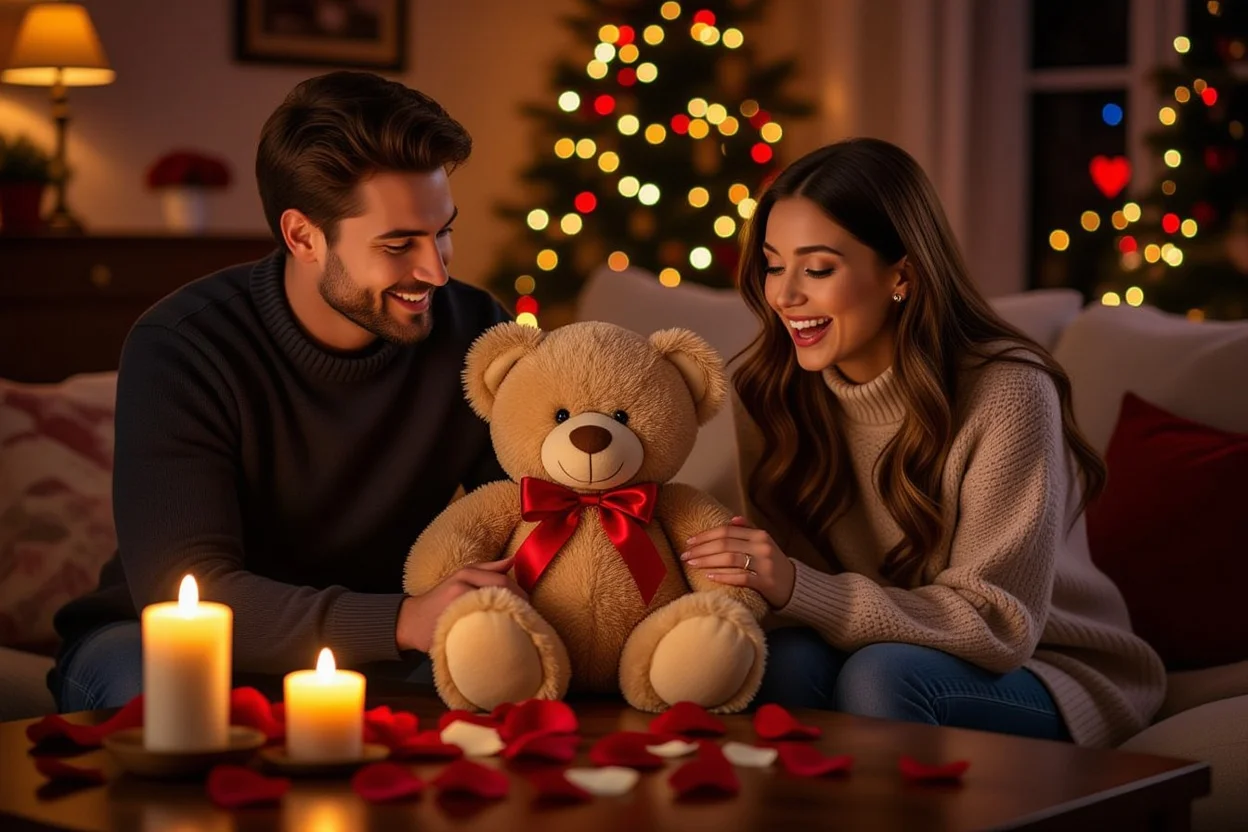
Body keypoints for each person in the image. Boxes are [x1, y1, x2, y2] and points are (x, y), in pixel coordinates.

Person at [50, 71, 530, 712]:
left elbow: (542, 510)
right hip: (158, 643)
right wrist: (401, 620)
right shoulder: (182, 345)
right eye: (398, 244)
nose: (436, 271)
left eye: (443, 230)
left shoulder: (478, 331)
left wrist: (700, 552)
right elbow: (189, 594)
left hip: (383, 647)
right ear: (303, 236)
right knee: (169, 700)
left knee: (505, 690)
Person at [682, 138, 1165, 747]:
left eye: (819, 268)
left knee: (882, 677)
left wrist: (802, 588)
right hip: (874, 648)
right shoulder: (770, 391)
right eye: (775, 264)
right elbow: (744, 563)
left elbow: (997, 623)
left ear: (900, 276)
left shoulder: (1010, 392)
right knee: (786, 659)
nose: (783, 295)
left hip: (1046, 665)